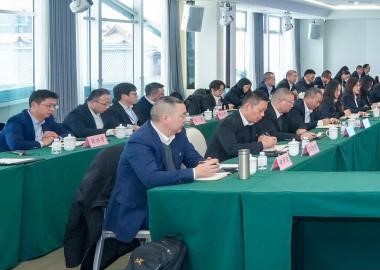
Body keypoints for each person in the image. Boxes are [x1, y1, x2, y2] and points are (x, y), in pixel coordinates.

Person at [104, 97, 219, 243]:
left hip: (168, 196)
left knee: (209, 209)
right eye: (182, 115)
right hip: (141, 206)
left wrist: (206, 164)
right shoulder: (139, 141)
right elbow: (151, 178)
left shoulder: (179, 133)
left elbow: (192, 159)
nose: (186, 119)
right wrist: (195, 172)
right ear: (166, 118)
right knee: (197, 217)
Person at [204, 93, 278, 161]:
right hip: (219, 165)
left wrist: (262, 137)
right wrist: (262, 145)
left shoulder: (254, 120)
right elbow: (232, 149)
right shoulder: (228, 123)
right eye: (260, 111)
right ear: (248, 107)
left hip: (242, 161)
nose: (263, 115)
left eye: (264, 111)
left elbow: (260, 133)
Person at [0, 89, 71, 151]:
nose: (52, 109)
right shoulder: (16, 121)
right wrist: (42, 143)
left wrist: (56, 138)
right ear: (34, 105)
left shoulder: (48, 119)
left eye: (54, 106)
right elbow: (15, 145)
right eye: (48, 106)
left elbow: (69, 134)